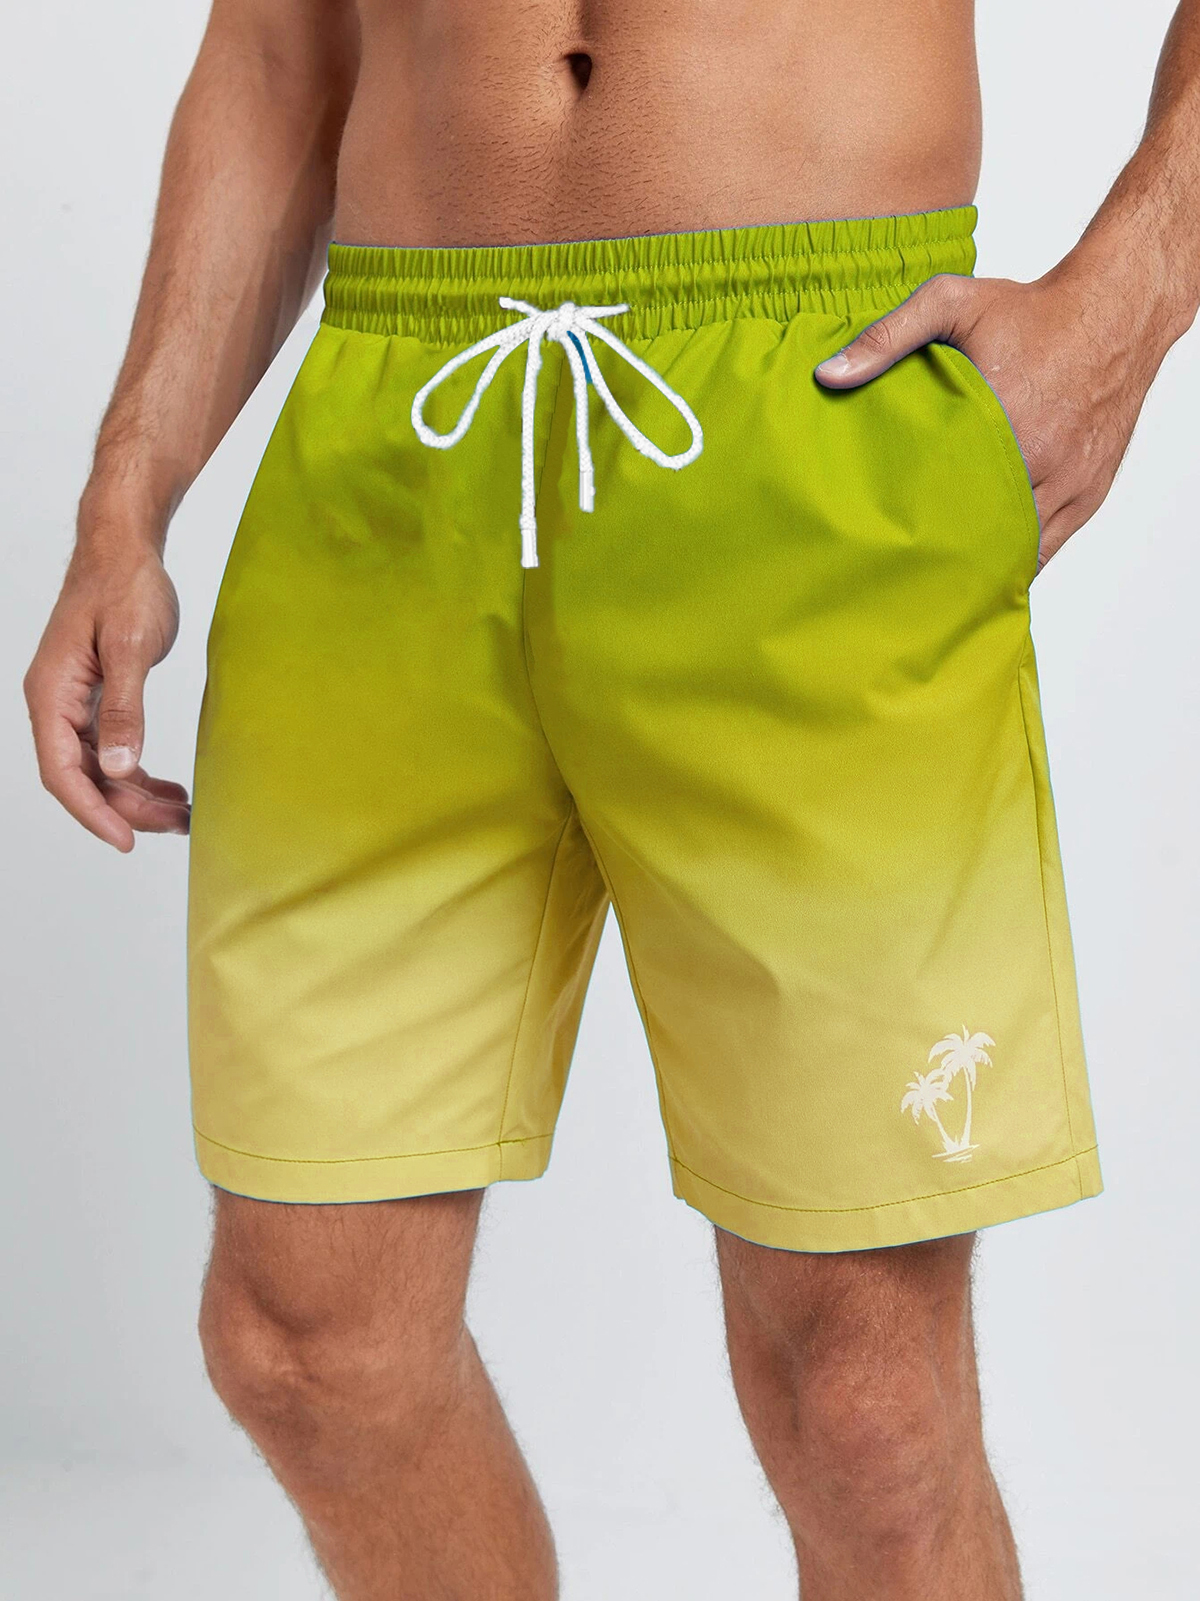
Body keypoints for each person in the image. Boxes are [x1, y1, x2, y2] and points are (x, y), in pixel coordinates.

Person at [23, 1, 1200, 1595]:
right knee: (310, 1344)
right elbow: (281, 45)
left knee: (867, 1409)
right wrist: (126, 491)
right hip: (388, 451)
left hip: (810, 417)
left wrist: (1130, 293)